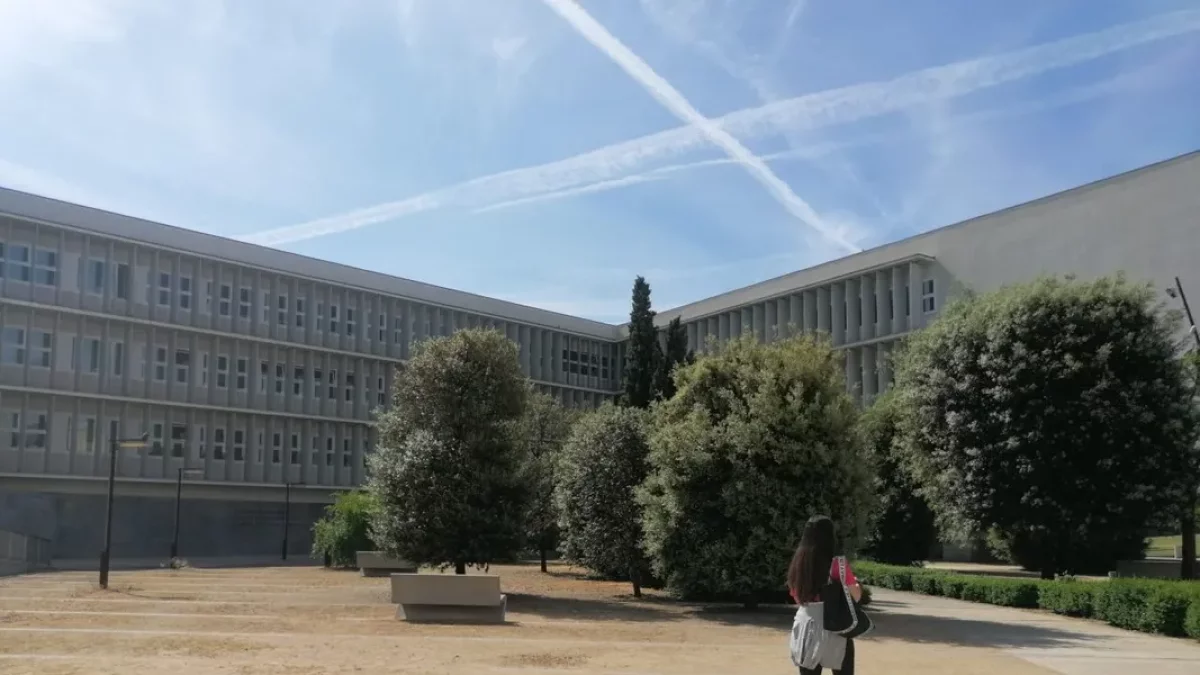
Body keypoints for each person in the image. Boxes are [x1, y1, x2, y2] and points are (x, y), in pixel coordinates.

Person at [787, 515, 862, 675]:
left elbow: (796, 596)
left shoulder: (798, 562)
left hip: (806, 623)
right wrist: (855, 584)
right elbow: (856, 596)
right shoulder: (838, 564)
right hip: (835, 623)